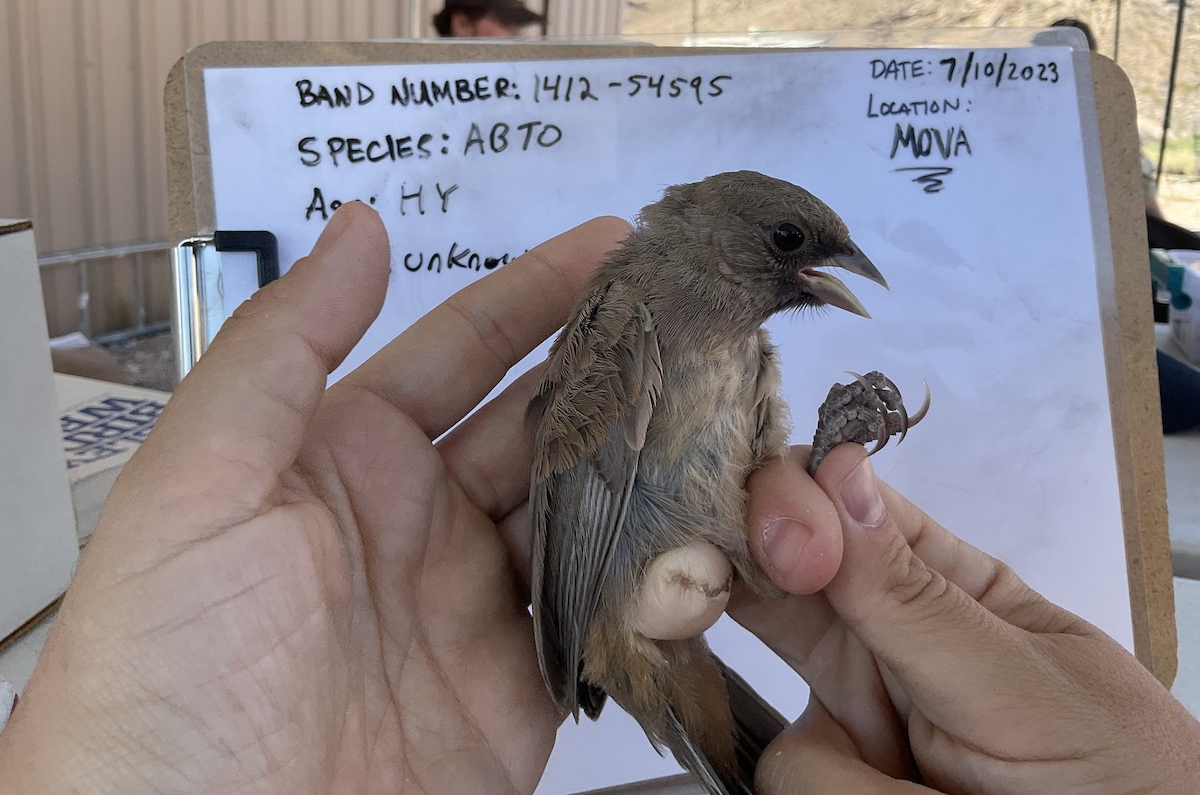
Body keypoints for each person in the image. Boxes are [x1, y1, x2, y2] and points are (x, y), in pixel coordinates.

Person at [0, 203, 1196, 792]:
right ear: (731, 242)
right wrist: (586, 637)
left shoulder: (738, 347)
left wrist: (824, 443)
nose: (815, 270)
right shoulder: (628, 320)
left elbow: (727, 498)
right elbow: (613, 524)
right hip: (620, 610)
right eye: (793, 245)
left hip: (667, 586)